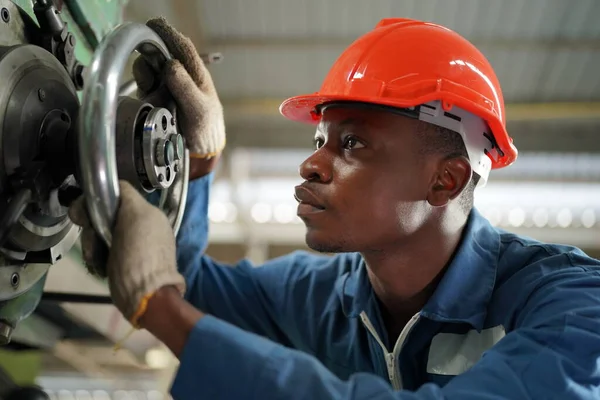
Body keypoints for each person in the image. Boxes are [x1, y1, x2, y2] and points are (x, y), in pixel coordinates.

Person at [69, 17, 600, 399]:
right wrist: (197, 164)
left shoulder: (573, 306)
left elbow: (171, 301)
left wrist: (161, 310)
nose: (311, 165)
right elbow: (185, 284)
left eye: (352, 145)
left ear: (446, 179)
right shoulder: (321, 295)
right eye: (320, 138)